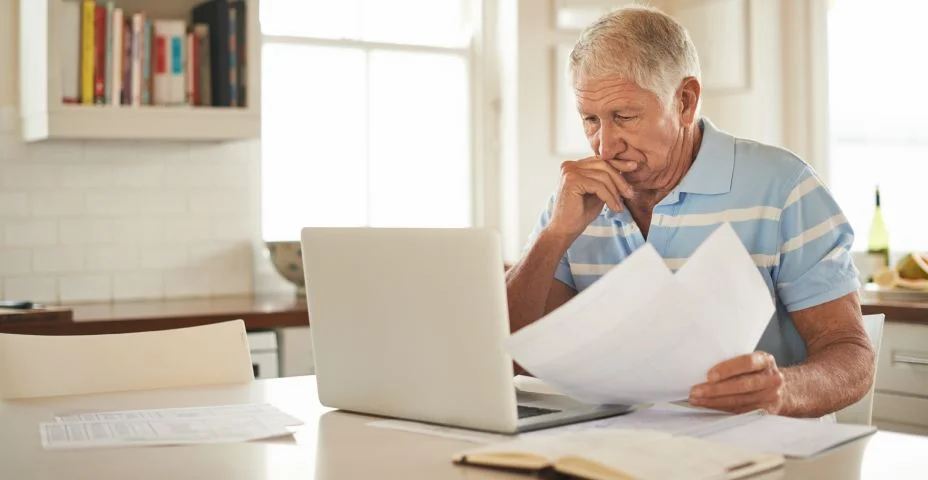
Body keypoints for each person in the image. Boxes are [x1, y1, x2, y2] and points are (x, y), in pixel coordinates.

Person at [505, 5, 875, 418]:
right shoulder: (574, 201)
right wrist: (554, 236)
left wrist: (781, 390)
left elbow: (852, 356)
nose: (604, 146)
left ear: (684, 101)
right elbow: (510, 359)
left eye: (624, 117)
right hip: (614, 452)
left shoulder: (785, 187)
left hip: (758, 453)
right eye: (590, 119)